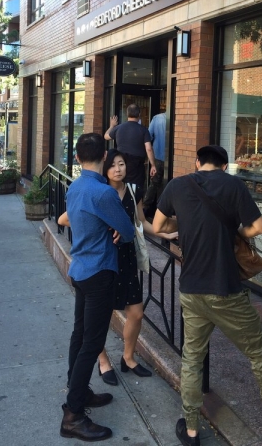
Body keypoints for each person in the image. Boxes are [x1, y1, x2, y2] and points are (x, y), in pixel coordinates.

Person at [153, 145, 262, 446]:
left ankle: (191, 429)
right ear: (224, 166)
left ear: (197, 162)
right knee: (258, 352)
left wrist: (184, 226)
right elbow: (258, 227)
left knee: (192, 359)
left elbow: (158, 225)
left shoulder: (177, 185)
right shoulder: (234, 185)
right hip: (226, 290)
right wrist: (235, 234)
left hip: (191, 289)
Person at [59, 148, 178, 387]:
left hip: (127, 259)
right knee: (98, 319)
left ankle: (128, 357)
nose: (117, 169)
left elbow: (140, 222)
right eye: (113, 165)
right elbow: (65, 219)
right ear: (104, 167)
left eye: (121, 164)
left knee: (136, 313)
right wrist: (101, 227)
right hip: (104, 261)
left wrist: (166, 233)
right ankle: (103, 361)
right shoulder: (99, 191)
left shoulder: (133, 191)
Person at [59, 133, 135, 442]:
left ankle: (78, 392)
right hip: (100, 272)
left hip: (80, 269)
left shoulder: (75, 187)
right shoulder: (104, 193)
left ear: (78, 158)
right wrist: (117, 230)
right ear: (104, 156)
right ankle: (73, 415)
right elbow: (128, 230)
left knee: (80, 336)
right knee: (91, 342)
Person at [104, 104, 157, 191]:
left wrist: (111, 126)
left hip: (122, 162)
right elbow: (149, 148)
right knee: (136, 189)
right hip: (137, 165)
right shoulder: (143, 130)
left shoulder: (119, 128)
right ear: (139, 114)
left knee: (122, 187)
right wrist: (153, 165)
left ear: (127, 114)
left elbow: (106, 136)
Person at [143, 111, 166, 216]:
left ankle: (145, 208)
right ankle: (161, 211)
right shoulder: (178, 118)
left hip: (157, 155)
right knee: (164, 185)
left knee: (155, 183)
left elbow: (149, 136)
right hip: (171, 158)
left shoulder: (157, 118)